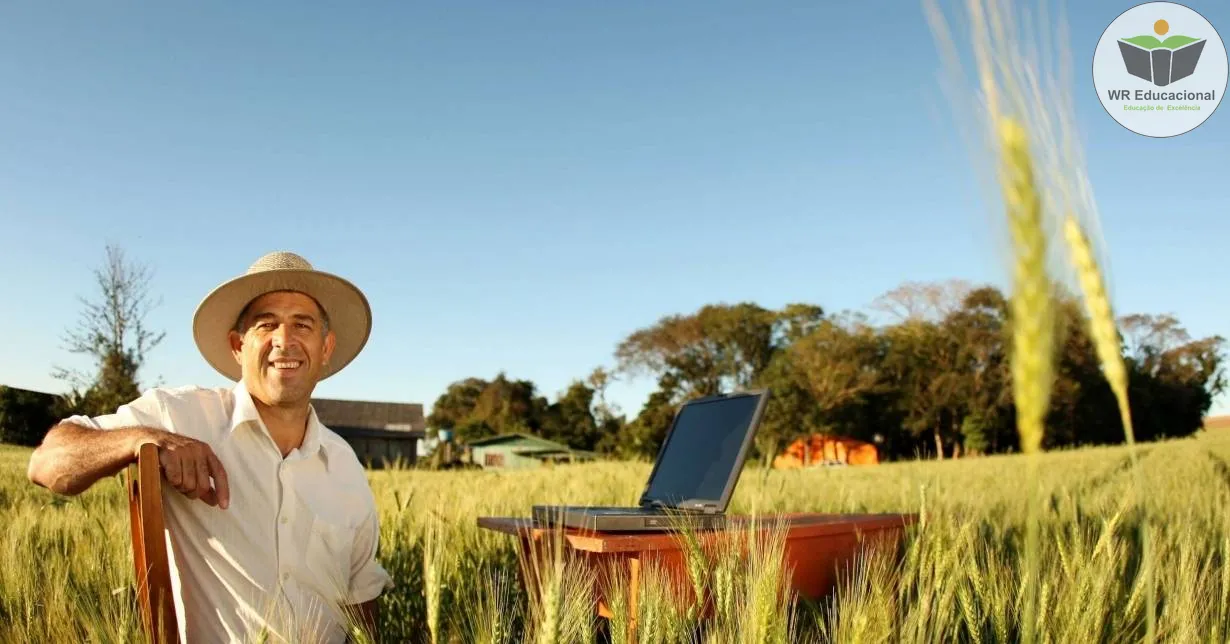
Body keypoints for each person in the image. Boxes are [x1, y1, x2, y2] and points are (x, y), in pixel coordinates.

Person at [26, 251, 394, 644]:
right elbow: (48, 464)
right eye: (266, 324)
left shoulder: (346, 467)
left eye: (302, 325)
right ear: (238, 346)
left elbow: (360, 603)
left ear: (325, 347)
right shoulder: (179, 415)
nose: (284, 341)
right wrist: (144, 438)